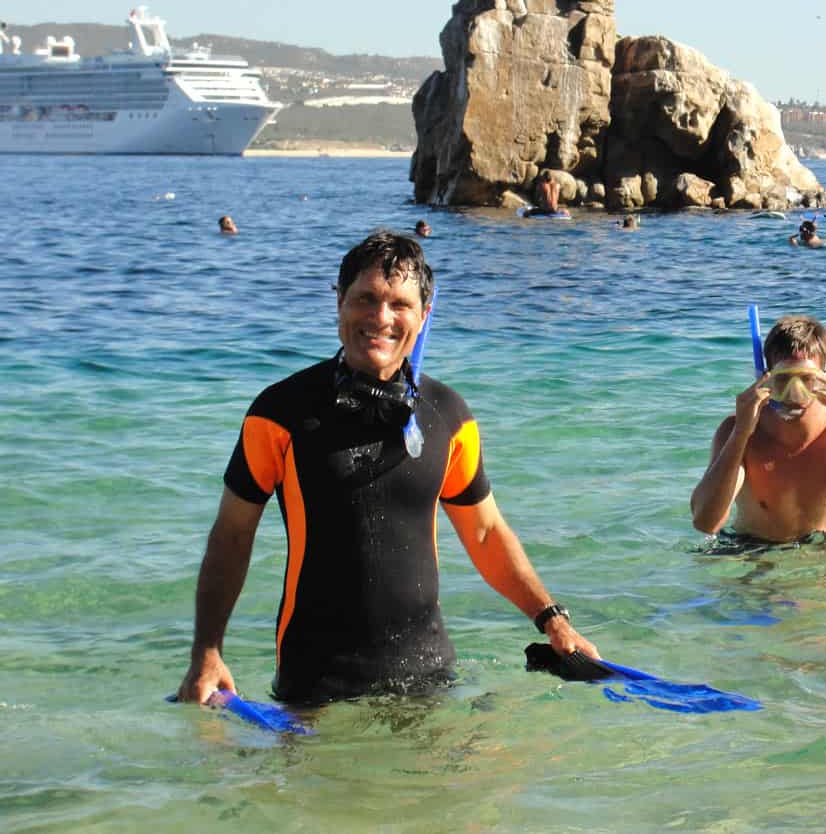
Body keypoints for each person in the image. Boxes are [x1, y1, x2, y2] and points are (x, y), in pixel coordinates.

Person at [175, 230, 597, 706]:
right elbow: (232, 535)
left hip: (430, 680)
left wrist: (554, 621)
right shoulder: (281, 412)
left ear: (424, 316)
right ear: (338, 302)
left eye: (400, 304)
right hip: (314, 688)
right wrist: (206, 654)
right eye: (366, 299)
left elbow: (485, 534)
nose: (381, 317)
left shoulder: (448, 416)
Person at [690, 315, 826, 544]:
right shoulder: (737, 431)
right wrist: (740, 434)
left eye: (807, 379)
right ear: (765, 379)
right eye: (784, 380)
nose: (795, 394)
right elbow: (706, 523)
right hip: (750, 550)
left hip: (824, 551)